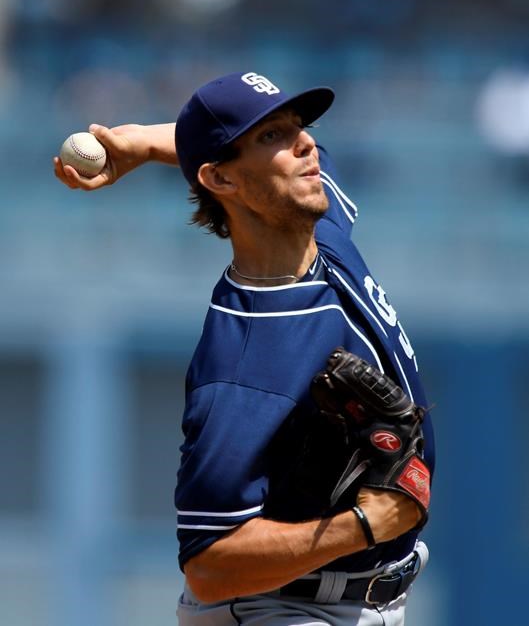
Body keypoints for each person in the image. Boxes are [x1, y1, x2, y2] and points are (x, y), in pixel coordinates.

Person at [54, 71, 435, 626]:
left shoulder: (318, 230)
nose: (306, 144)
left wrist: (140, 141)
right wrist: (367, 524)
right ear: (221, 180)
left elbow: (229, 160)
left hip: (356, 601)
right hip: (281, 610)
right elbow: (208, 566)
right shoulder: (244, 359)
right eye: (271, 136)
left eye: (296, 126)